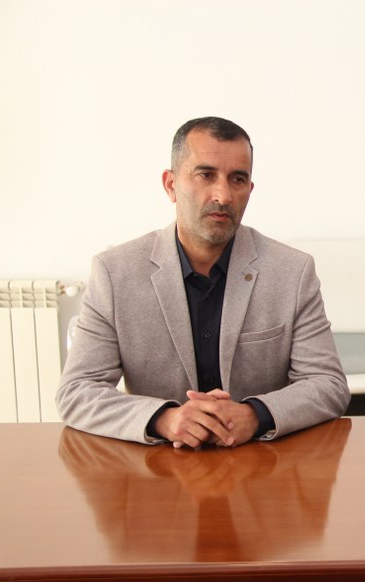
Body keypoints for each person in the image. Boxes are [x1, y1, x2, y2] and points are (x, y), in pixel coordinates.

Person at [57, 116, 349, 447]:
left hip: (260, 462)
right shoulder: (115, 272)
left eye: (237, 179)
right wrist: (163, 419)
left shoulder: (292, 271)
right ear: (170, 185)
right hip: (159, 464)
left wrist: (255, 415)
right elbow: (77, 391)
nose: (223, 195)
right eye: (206, 175)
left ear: (249, 190)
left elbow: (327, 384)